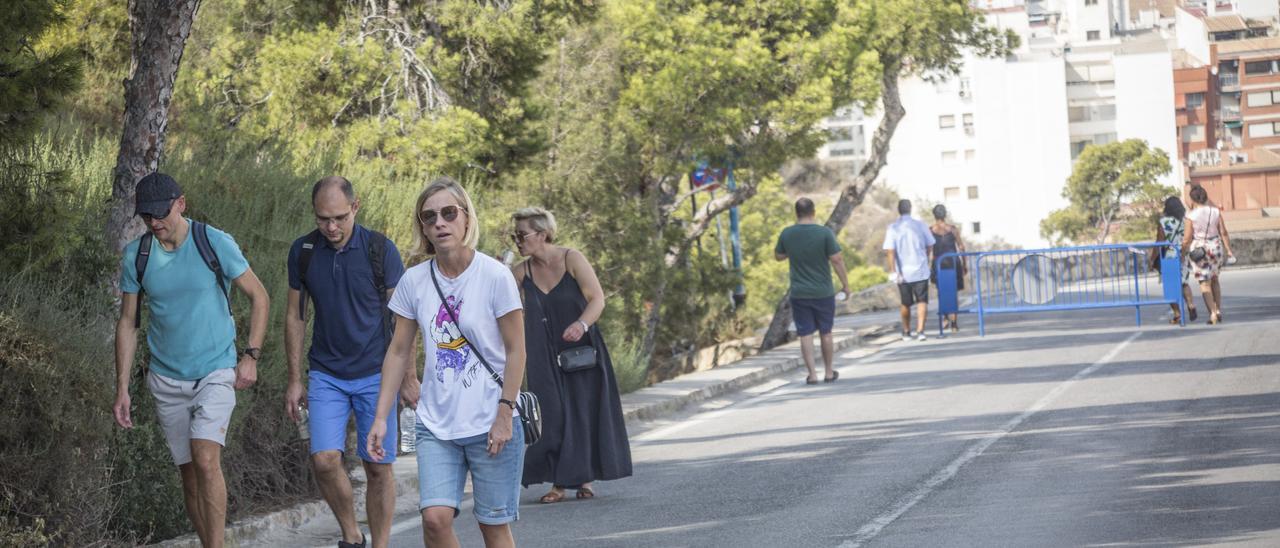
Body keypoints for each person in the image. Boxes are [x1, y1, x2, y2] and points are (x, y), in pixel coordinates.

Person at [366, 177, 526, 548]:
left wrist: (505, 413)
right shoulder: (414, 281)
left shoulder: (494, 275)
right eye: (429, 216)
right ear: (422, 227)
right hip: (436, 424)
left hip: (491, 420)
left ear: (466, 219)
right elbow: (398, 351)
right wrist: (380, 417)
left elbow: (517, 350)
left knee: (493, 526)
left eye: (449, 213)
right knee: (435, 521)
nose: (440, 222)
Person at [113, 172, 270, 547]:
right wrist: (121, 388)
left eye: (161, 213)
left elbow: (260, 297)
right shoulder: (138, 256)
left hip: (215, 370)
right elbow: (127, 323)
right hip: (166, 379)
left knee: (204, 458)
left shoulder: (213, 242)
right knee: (188, 474)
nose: (154, 222)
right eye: (147, 216)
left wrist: (250, 356)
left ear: (180, 204)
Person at [284, 176, 411, 548]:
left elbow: (404, 318)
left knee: (377, 466)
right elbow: (295, 316)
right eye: (323, 219)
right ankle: (352, 536)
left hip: (377, 373)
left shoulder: (380, 249)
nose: (332, 227)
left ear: (355, 207)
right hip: (327, 373)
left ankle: (381, 544)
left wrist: (409, 376)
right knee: (324, 460)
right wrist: (295, 379)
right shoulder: (303, 250)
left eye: (339, 217)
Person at [509, 207, 632, 503]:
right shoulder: (520, 272)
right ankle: (558, 483)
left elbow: (597, 298)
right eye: (515, 235)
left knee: (583, 411)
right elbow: (503, 308)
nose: (517, 240)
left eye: (522, 234)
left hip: (581, 349)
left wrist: (581, 323)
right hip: (541, 353)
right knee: (551, 414)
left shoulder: (571, 258)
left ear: (542, 234)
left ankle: (583, 480)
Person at [775, 198, 851, 385]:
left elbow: (778, 256)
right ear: (813, 212)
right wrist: (845, 285)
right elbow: (837, 259)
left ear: (796, 213)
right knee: (826, 332)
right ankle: (828, 372)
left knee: (805, 333)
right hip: (823, 292)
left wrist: (794, 251)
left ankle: (812, 375)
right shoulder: (824, 233)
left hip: (799, 292)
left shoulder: (787, 234)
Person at [884, 199, 935, 341]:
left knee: (905, 302)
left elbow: (890, 251)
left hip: (903, 273)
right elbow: (930, 244)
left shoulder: (893, 228)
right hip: (920, 269)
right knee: (922, 301)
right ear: (910, 209)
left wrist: (893, 271)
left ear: (898, 210)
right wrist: (925, 257)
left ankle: (906, 331)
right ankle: (921, 331)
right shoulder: (920, 225)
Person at [1183, 185, 1234, 325]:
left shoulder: (1191, 215)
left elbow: (1187, 238)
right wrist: (1228, 249)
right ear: (1205, 197)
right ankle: (1218, 310)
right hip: (1216, 247)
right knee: (1215, 279)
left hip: (1200, 249)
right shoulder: (1216, 212)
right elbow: (1223, 232)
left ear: (1192, 199)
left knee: (1204, 283)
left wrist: (1182, 252)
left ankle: (1212, 314)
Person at [1154, 196, 1197, 325]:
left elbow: (1159, 242)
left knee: (1170, 286)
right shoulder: (1186, 221)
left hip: (1168, 256)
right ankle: (1190, 304)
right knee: (1184, 282)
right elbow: (1190, 237)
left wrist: (1152, 259)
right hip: (1183, 254)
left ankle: (1177, 314)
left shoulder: (1164, 222)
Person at [929, 205, 966, 332]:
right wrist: (965, 264)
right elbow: (961, 247)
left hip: (938, 264)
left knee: (942, 293)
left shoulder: (931, 230)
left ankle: (945, 318)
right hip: (953, 263)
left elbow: (927, 250)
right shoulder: (953, 229)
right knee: (953, 293)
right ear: (945, 214)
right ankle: (954, 323)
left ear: (934, 215)